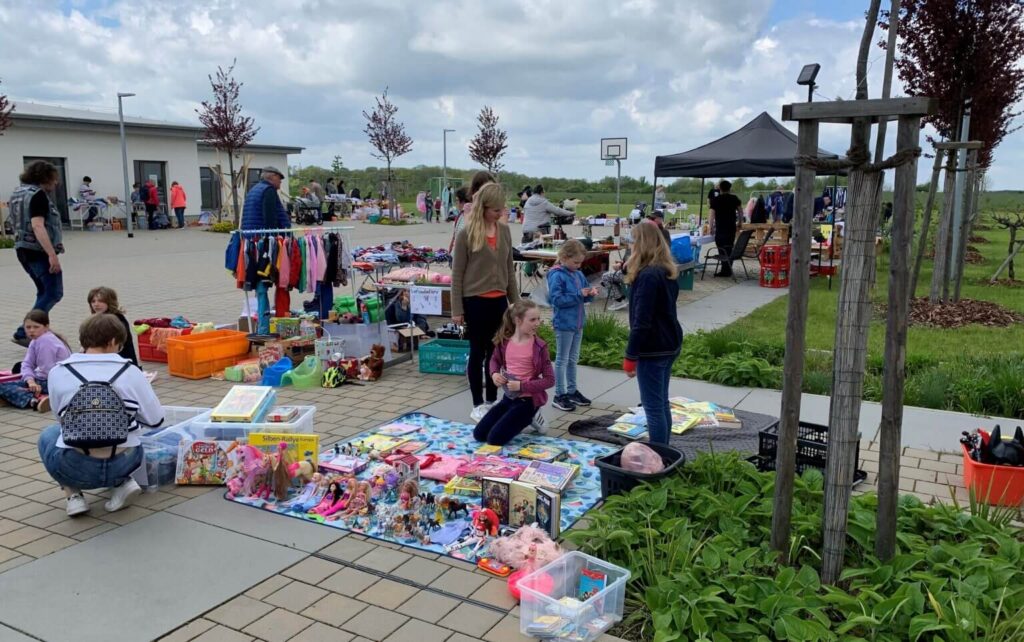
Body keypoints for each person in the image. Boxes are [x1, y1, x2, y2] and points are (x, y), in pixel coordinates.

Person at [38, 313, 165, 516]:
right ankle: (122, 482)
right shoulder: (131, 371)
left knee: (49, 434)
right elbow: (156, 420)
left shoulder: (58, 372)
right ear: (114, 341)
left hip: (73, 466)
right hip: (126, 461)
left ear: (83, 340)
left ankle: (74, 496)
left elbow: (61, 419)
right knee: (134, 434)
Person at [451, 183, 520, 422]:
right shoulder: (466, 234)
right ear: (482, 208)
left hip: (499, 301)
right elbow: (457, 274)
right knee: (477, 352)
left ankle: (492, 401)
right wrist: (457, 309)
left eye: (502, 209)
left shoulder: (505, 232)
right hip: (475, 302)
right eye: (494, 210)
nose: (500, 214)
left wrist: (516, 303)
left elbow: (509, 269)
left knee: (496, 354)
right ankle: (477, 403)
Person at [622, 223, 682, 445]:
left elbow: (642, 322)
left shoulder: (647, 276)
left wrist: (631, 356)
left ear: (641, 244)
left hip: (653, 347)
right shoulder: (665, 270)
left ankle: (658, 456)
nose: (630, 244)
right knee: (660, 402)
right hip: (669, 341)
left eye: (632, 241)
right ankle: (664, 447)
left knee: (653, 408)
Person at [474, 300, 554, 446]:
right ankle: (518, 417)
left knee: (494, 440)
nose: (537, 323)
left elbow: (549, 380)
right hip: (508, 399)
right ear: (518, 320)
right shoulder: (504, 342)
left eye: (538, 319)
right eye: (532, 320)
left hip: (528, 401)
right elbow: (494, 361)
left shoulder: (540, 346)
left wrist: (521, 386)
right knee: (479, 435)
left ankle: (531, 415)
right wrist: (494, 374)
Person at [11, 160, 65, 348]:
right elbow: (37, 225)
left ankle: (39, 331)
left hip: (22, 249)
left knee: (44, 291)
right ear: (44, 178)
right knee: (53, 292)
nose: (56, 183)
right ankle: (25, 331)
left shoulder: (18, 193)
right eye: (53, 179)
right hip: (37, 251)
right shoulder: (38, 195)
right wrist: (52, 254)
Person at [546, 240, 598, 412]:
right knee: (562, 359)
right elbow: (556, 300)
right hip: (564, 323)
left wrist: (590, 294)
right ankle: (559, 394)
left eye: (580, 263)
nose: (578, 265)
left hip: (577, 323)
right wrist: (578, 295)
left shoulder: (578, 274)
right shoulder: (557, 275)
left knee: (573, 359)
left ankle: (572, 390)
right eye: (575, 262)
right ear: (564, 258)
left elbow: (584, 292)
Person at [241, 166, 291, 334]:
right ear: (272, 177)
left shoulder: (254, 189)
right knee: (265, 281)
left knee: (260, 284)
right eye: (279, 178)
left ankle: (263, 324)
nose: (280, 182)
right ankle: (264, 327)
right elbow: (270, 218)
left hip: (252, 242)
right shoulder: (268, 191)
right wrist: (275, 239)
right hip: (264, 243)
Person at [0, 310, 70, 412]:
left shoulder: (45, 341)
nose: (31, 330)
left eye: (36, 327)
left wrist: (33, 383)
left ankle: (33, 401)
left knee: (3, 386)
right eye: (28, 327)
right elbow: (27, 364)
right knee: (17, 373)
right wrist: (30, 380)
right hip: (47, 379)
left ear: (46, 327)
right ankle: (25, 395)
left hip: (53, 381)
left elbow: (47, 370)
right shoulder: (36, 340)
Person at [88, 286, 138, 367]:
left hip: (120, 361)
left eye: (100, 301)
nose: (96, 304)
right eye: (93, 301)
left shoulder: (117, 320)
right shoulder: (96, 318)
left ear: (109, 302)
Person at [710, 179, 741, 277]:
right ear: (729, 188)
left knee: (721, 248)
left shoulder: (716, 200)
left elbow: (712, 215)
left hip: (720, 228)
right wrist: (740, 222)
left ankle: (725, 270)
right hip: (731, 227)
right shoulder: (734, 198)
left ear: (720, 188)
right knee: (729, 247)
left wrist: (711, 227)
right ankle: (728, 268)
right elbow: (740, 211)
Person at [448, 187, 472, 254]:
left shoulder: (473, 219)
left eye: (457, 200)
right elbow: (454, 237)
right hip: (455, 255)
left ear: (464, 202)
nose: (456, 203)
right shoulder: (460, 216)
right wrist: (449, 252)